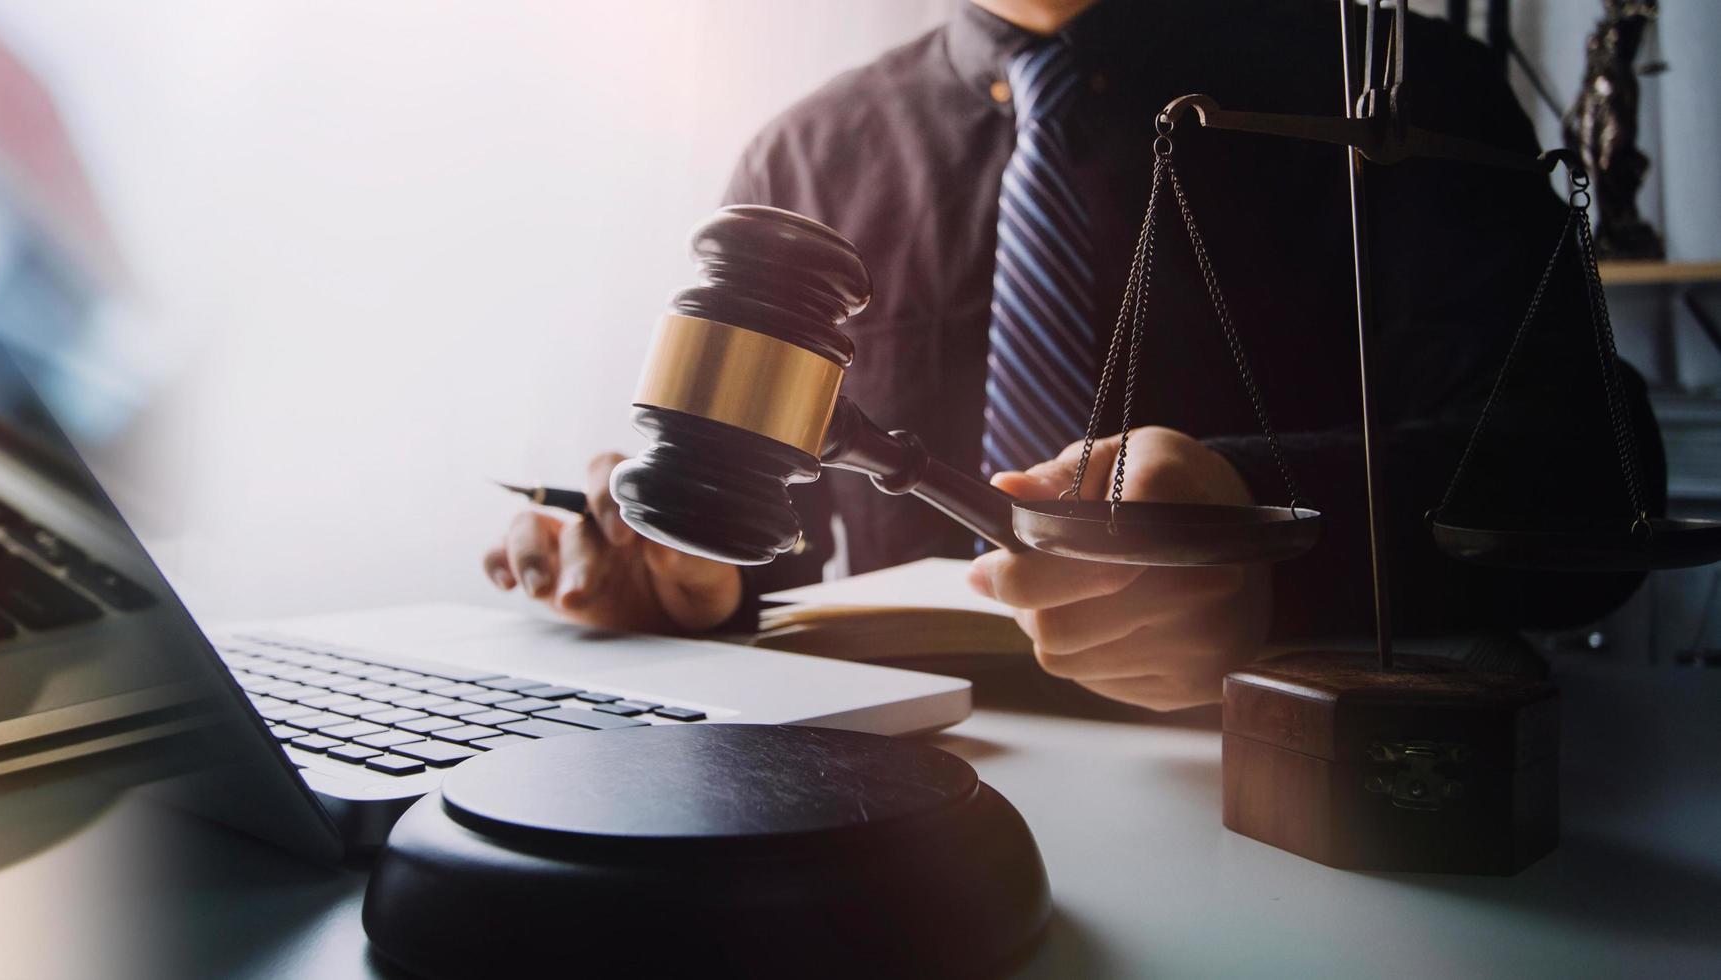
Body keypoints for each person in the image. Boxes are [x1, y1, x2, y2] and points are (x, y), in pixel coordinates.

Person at [482, 0, 1663, 710]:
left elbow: (1587, 486)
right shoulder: (803, 163)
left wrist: (1261, 534)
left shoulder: (1398, 87)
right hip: (899, 802)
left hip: (1292, 793)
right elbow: (793, 545)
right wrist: (702, 586)